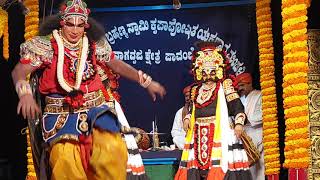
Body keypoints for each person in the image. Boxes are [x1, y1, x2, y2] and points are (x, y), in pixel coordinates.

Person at [11, 0, 166, 179]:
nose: (75, 30)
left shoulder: (94, 44)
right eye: (70, 24)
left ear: (85, 25)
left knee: (113, 149)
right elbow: (19, 72)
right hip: (60, 113)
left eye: (80, 25)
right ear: (62, 22)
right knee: (65, 159)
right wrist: (25, 95)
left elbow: (116, 65)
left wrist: (146, 82)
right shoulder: (46, 46)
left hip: (96, 110)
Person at [174, 41, 252, 180]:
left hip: (220, 133)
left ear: (218, 70)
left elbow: (237, 107)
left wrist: (239, 123)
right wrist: (187, 118)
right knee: (197, 171)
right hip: (197, 135)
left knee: (220, 169)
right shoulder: (195, 90)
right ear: (198, 71)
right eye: (204, 72)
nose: (208, 75)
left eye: (211, 71)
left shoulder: (225, 86)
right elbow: (192, 109)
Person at [236, 72, 264, 180]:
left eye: (242, 85)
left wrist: (246, 120)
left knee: (258, 171)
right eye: (239, 86)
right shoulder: (240, 99)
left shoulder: (259, 95)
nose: (240, 88)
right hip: (243, 136)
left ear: (250, 83)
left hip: (257, 134)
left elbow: (263, 115)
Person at [171, 85, 191, 150]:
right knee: (176, 139)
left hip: (195, 137)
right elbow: (174, 131)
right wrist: (184, 135)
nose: (188, 98)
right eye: (186, 96)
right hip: (184, 139)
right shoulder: (180, 112)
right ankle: (188, 148)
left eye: (189, 96)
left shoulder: (199, 110)